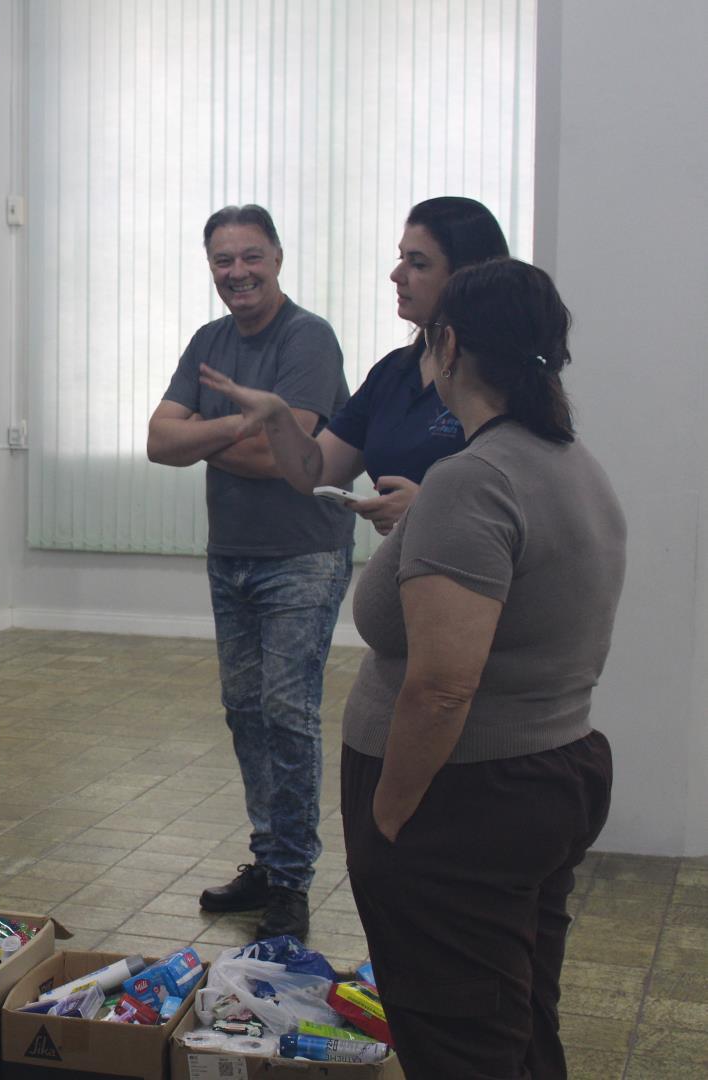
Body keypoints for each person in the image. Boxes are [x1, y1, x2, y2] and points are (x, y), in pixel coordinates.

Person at [315, 260, 618, 1077]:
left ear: (447, 347)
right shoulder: (569, 462)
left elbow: (443, 686)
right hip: (544, 777)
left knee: (457, 1042)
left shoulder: (474, 480)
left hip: (463, 801)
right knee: (516, 1020)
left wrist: (388, 817)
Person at [146, 205, 354, 940]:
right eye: (223, 260)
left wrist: (205, 437)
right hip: (231, 554)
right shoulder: (210, 341)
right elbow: (157, 441)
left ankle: (291, 881)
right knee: (244, 712)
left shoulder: (308, 338)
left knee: (287, 714)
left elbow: (283, 458)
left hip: (303, 555)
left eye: (251, 257)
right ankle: (268, 860)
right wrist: (242, 422)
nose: (237, 272)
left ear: (277, 258)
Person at [206, 197, 511, 535]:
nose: (397, 275)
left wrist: (428, 506)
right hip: (407, 563)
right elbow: (316, 472)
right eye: (400, 258)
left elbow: (528, 499)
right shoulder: (394, 372)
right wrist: (277, 415)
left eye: (418, 264)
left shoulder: (502, 375)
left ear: (466, 275)